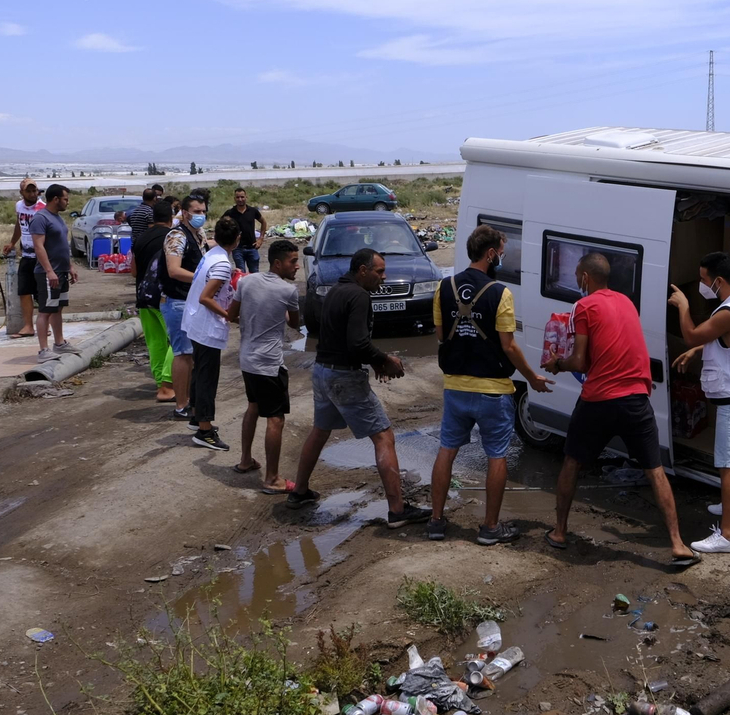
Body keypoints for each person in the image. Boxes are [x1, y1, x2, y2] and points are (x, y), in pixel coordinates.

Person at [543, 252, 696, 566]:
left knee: (572, 461)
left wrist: (557, 364)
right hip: (636, 399)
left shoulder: (584, 306)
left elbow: (580, 361)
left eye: (577, 275)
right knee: (655, 470)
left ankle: (559, 532)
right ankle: (678, 544)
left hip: (599, 399)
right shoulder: (627, 302)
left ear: (586, 277)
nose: (576, 279)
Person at [427, 225, 551, 544]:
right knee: (497, 455)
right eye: (501, 253)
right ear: (491, 254)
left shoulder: (444, 287)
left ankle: (436, 522)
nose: (502, 259)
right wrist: (532, 378)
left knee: (447, 451)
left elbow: (441, 335)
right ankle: (490, 528)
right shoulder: (501, 293)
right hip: (493, 391)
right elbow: (509, 346)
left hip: (455, 387)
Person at [293, 247, 428, 526]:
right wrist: (385, 360)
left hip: (322, 372)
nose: (384, 276)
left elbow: (339, 338)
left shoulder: (336, 291)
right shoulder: (359, 296)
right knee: (384, 437)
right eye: (380, 271)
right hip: (344, 378)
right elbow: (357, 343)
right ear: (363, 271)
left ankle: (299, 492)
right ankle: (398, 511)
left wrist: (374, 362)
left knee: (320, 432)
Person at [669, 252, 730, 554]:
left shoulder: (727, 312)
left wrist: (684, 306)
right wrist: (698, 351)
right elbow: (725, 339)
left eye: (703, 279)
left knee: (727, 463)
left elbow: (692, 334)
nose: (701, 284)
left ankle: (728, 536)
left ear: (718, 281)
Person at [232, 239, 301, 490]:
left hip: (247, 359)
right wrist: (278, 312)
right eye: (293, 261)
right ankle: (272, 478)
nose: (297, 266)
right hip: (269, 364)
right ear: (277, 263)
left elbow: (231, 314)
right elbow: (294, 324)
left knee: (253, 406)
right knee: (275, 419)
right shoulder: (288, 291)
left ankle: (245, 460)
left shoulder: (246, 281)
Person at [185, 216, 241, 450]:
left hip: (196, 322)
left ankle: (196, 417)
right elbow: (206, 297)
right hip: (206, 325)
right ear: (238, 239)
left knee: (200, 372)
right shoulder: (222, 264)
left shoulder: (212, 255)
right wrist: (229, 315)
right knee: (207, 378)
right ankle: (205, 431)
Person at [159, 195, 207, 422]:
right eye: (196, 211)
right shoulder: (177, 236)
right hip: (177, 301)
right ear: (185, 213)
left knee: (191, 355)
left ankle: (187, 400)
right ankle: (181, 405)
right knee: (183, 353)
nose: (201, 215)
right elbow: (174, 270)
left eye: (203, 211)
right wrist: (204, 278)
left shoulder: (197, 234)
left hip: (190, 301)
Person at [29, 183, 81, 361]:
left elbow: (62, 245)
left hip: (61, 271)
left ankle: (59, 344)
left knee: (57, 308)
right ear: (56, 199)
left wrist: (70, 266)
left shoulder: (57, 218)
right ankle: (43, 350)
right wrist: (49, 271)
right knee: (46, 310)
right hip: (48, 273)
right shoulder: (40, 218)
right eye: (65, 199)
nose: (67, 202)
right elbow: (39, 247)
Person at [131, 199, 176, 403]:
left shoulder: (140, 239)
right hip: (164, 297)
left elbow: (133, 271)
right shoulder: (172, 238)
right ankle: (168, 383)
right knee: (179, 340)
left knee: (156, 343)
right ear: (171, 218)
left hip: (142, 297)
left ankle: (160, 383)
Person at [0, 178, 43, 337]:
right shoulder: (19, 206)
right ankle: (28, 326)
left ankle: (45, 325)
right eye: (28, 191)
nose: (32, 194)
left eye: (34, 191)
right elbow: (19, 224)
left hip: (40, 256)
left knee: (42, 293)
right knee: (24, 291)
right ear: (22, 192)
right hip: (26, 255)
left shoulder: (42, 208)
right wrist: (12, 242)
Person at [220, 187, 267, 274]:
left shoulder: (252, 211)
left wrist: (260, 239)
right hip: (237, 249)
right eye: (237, 197)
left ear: (246, 197)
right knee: (241, 274)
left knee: (255, 274)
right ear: (234, 198)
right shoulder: (230, 213)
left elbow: (263, 222)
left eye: (242, 197)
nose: (240, 199)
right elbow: (220, 226)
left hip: (252, 247)